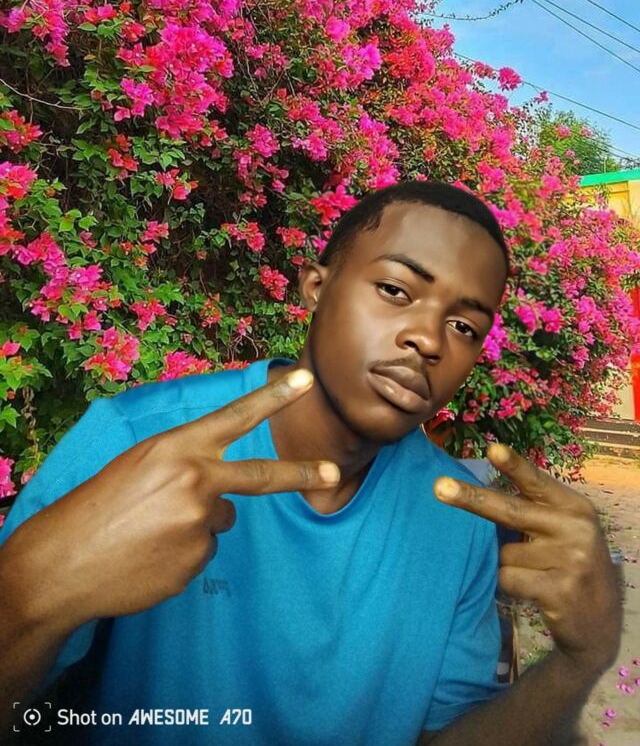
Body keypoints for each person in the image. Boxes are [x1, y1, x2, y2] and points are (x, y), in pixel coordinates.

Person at [0, 182, 621, 745]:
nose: (429, 340)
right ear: (316, 288)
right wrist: (32, 596)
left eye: (463, 326)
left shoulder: (459, 517)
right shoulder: (136, 440)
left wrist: (580, 662)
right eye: (395, 291)